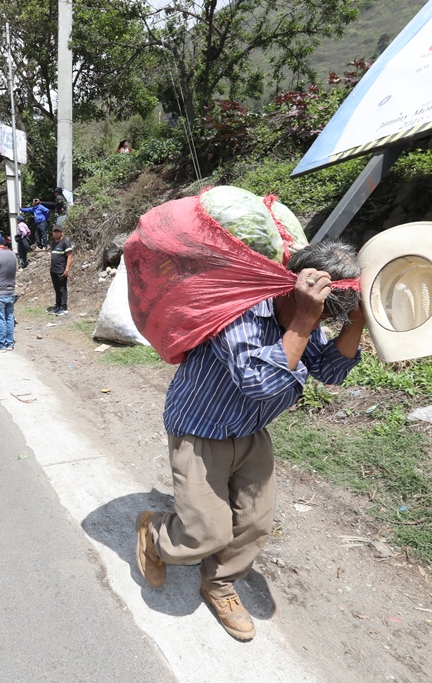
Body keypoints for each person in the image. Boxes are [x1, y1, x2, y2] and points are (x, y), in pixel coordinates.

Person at [134, 240, 366, 642]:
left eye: (330, 311)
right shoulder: (240, 311)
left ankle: (220, 584)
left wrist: (356, 322)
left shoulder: (306, 318)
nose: (322, 318)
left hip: (250, 429)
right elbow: (259, 382)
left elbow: (330, 370)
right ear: (294, 286)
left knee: (255, 523)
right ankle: (154, 534)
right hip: (200, 427)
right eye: (321, 307)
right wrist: (304, 322)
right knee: (205, 532)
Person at [48, 225, 73, 315]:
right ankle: (57, 306)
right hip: (53, 270)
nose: (56, 233)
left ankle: (63, 307)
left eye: (58, 231)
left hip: (61, 270)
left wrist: (67, 269)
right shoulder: (53, 242)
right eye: (55, 231)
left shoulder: (65, 242)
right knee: (57, 289)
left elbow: (70, 256)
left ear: (62, 232)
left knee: (62, 289)